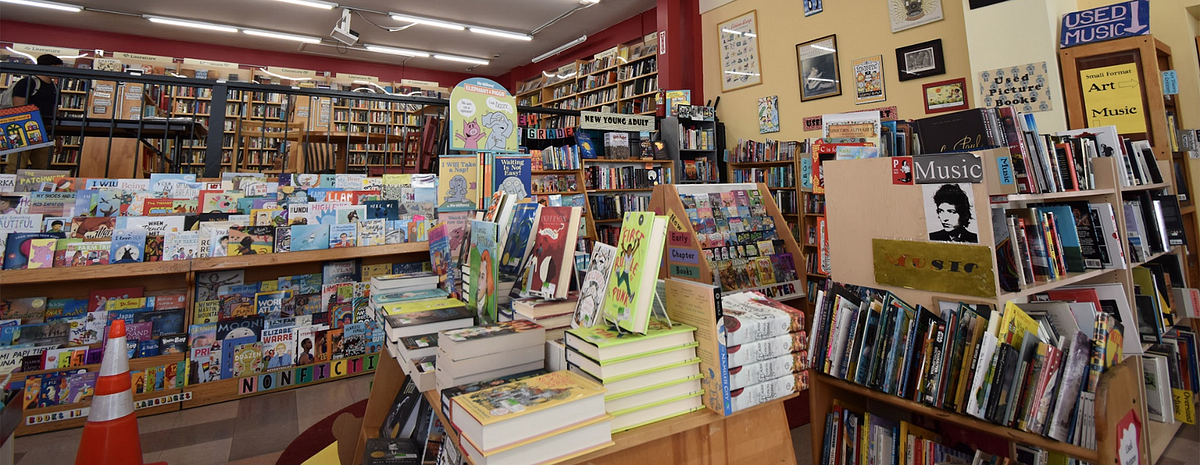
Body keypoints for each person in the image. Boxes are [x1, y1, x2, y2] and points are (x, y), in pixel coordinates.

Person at [4, 54, 63, 174]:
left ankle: (38, 192)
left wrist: (57, 135)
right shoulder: (27, 83)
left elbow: (55, 110)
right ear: (50, 67)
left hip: (45, 131)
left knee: (43, 169)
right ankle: (7, 192)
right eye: (58, 67)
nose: (60, 71)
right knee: (16, 166)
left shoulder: (54, 87)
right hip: (23, 130)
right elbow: (18, 108)